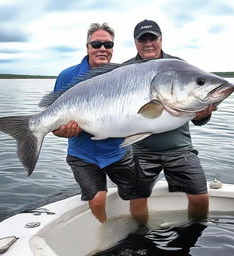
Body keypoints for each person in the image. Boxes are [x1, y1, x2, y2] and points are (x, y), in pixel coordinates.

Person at [125, 19, 217, 224]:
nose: (148, 43)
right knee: (137, 199)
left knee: (200, 196)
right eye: (142, 39)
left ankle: (193, 232)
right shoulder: (123, 71)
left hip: (180, 149)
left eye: (153, 38)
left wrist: (204, 115)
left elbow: (198, 117)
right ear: (135, 42)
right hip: (141, 149)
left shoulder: (179, 67)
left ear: (161, 39)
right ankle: (142, 235)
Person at [52, 22, 143, 224]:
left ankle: (141, 230)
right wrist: (63, 131)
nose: (102, 49)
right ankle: (104, 232)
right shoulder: (67, 77)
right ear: (87, 47)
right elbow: (54, 126)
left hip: (117, 150)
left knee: (138, 195)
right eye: (97, 44)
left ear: (112, 49)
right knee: (98, 198)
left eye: (108, 45)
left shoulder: (122, 76)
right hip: (82, 153)